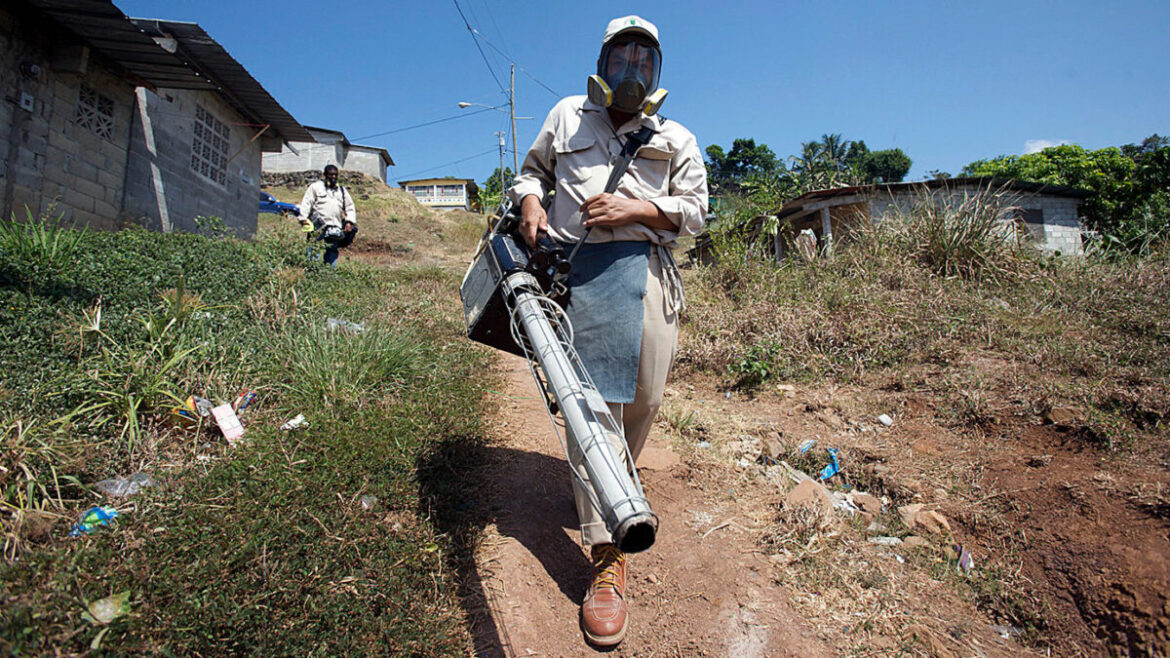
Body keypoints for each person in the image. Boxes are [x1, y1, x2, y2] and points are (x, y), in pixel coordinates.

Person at [508, 15, 708, 647]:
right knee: (592, 407)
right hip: (578, 272)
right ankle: (607, 552)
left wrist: (641, 208)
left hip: (648, 275)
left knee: (643, 400)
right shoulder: (567, 114)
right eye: (621, 56)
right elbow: (531, 173)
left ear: (658, 72)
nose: (633, 68)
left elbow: (698, 213)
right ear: (602, 62)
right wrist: (533, 204)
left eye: (645, 59)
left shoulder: (676, 135)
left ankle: (608, 480)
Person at [299, 164, 357, 267]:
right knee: (313, 249)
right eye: (331, 175)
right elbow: (307, 202)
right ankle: (313, 273)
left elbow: (350, 206)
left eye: (335, 175)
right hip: (317, 227)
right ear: (325, 175)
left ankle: (328, 275)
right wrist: (303, 218)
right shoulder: (316, 187)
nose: (333, 177)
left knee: (332, 251)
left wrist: (349, 222)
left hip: (335, 227)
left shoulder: (342, 191)